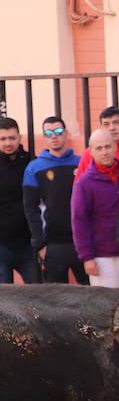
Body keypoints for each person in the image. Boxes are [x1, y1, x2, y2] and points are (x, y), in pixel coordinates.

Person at [23, 115, 87, 285]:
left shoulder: (81, 163)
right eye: (49, 132)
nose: (54, 136)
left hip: (82, 242)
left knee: (92, 294)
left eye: (58, 131)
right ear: (44, 136)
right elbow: (31, 208)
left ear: (66, 134)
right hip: (52, 245)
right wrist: (40, 244)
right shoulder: (34, 168)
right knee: (57, 301)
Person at [71, 129, 119, 289]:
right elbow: (79, 221)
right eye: (99, 148)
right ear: (91, 152)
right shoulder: (84, 183)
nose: (105, 152)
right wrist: (87, 257)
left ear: (115, 147)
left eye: (108, 146)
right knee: (107, 308)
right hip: (101, 256)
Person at [0, 117, 37, 283]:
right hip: (2, 245)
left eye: (12, 138)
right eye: (3, 139)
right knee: (4, 301)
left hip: (29, 243)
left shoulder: (33, 162)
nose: (8, 143)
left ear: (20, 138)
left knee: (39, 297)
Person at [74, 106, 119, 180]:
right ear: (101, 127)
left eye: (116, 122)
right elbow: (79, 185)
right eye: (106, 124)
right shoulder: (90, 152)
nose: (112, 128)